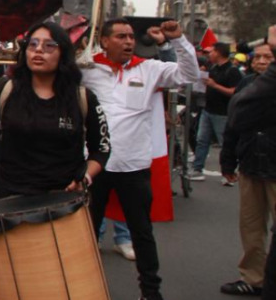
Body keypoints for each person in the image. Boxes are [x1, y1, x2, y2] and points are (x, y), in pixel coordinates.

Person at [82, 18, 198, 300]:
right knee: (85, 235)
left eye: (131, 37)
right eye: (121, 36)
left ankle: (150, 291)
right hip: (95, 168)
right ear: (104, 41)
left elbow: (189, 74)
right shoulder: (86, 70)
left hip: (134, 169)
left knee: (142, 234)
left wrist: (178, 40)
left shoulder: (149, 70)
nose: (129, 42)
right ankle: (83, 288)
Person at [0, 22, 110, 203]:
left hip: (63, 203)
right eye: (32, 44)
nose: (38, 50)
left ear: (63, 53)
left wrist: (84, 178)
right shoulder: (6, 89)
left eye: (49, 45)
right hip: (9, 201)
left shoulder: (83, 98)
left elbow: (101, 149)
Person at [221, 40, 276, 296]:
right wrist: (228, 160)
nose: (263, 62)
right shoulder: (247, 85)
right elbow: (232, 126)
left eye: (269, 57)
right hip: (251, 165)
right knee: (251, 227)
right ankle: (254, 278)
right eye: (259, 58)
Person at [191, 41, 242, 181]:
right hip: (208, 109)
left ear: (219, 52)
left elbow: (235, 91)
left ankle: (229, 172)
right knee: (201, 140)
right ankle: (197, 169)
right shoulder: (213, 68)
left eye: (212, 52)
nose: (209, 55)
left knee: (225, 143)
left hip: (223, 113)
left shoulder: (232, 70)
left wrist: (215, 85)